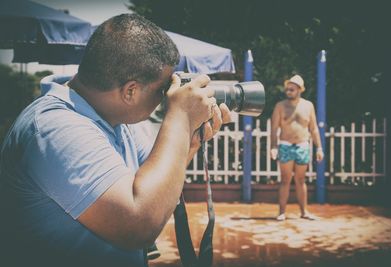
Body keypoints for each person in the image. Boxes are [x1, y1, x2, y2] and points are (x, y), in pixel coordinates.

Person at [0, 14, 231, 267]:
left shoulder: (114, 119)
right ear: (130, 91)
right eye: (160, 90)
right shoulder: (54, 129)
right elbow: (139, 225)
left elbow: (155, 191)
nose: (166, 98)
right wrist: (179, 117)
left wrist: (190, 139)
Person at [270, 75, 324, 221]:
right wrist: (274, 146)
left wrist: (319, 148)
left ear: (300, 90)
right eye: (287, 88)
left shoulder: (308, 106)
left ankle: (304, 212)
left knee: (301, 180)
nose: (288, 91)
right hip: (286, 145)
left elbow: (314, 129)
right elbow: (274, 128)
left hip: (302, 146)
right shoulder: (280, 106)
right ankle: (281, 212)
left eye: (292, 89)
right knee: (285, 180)